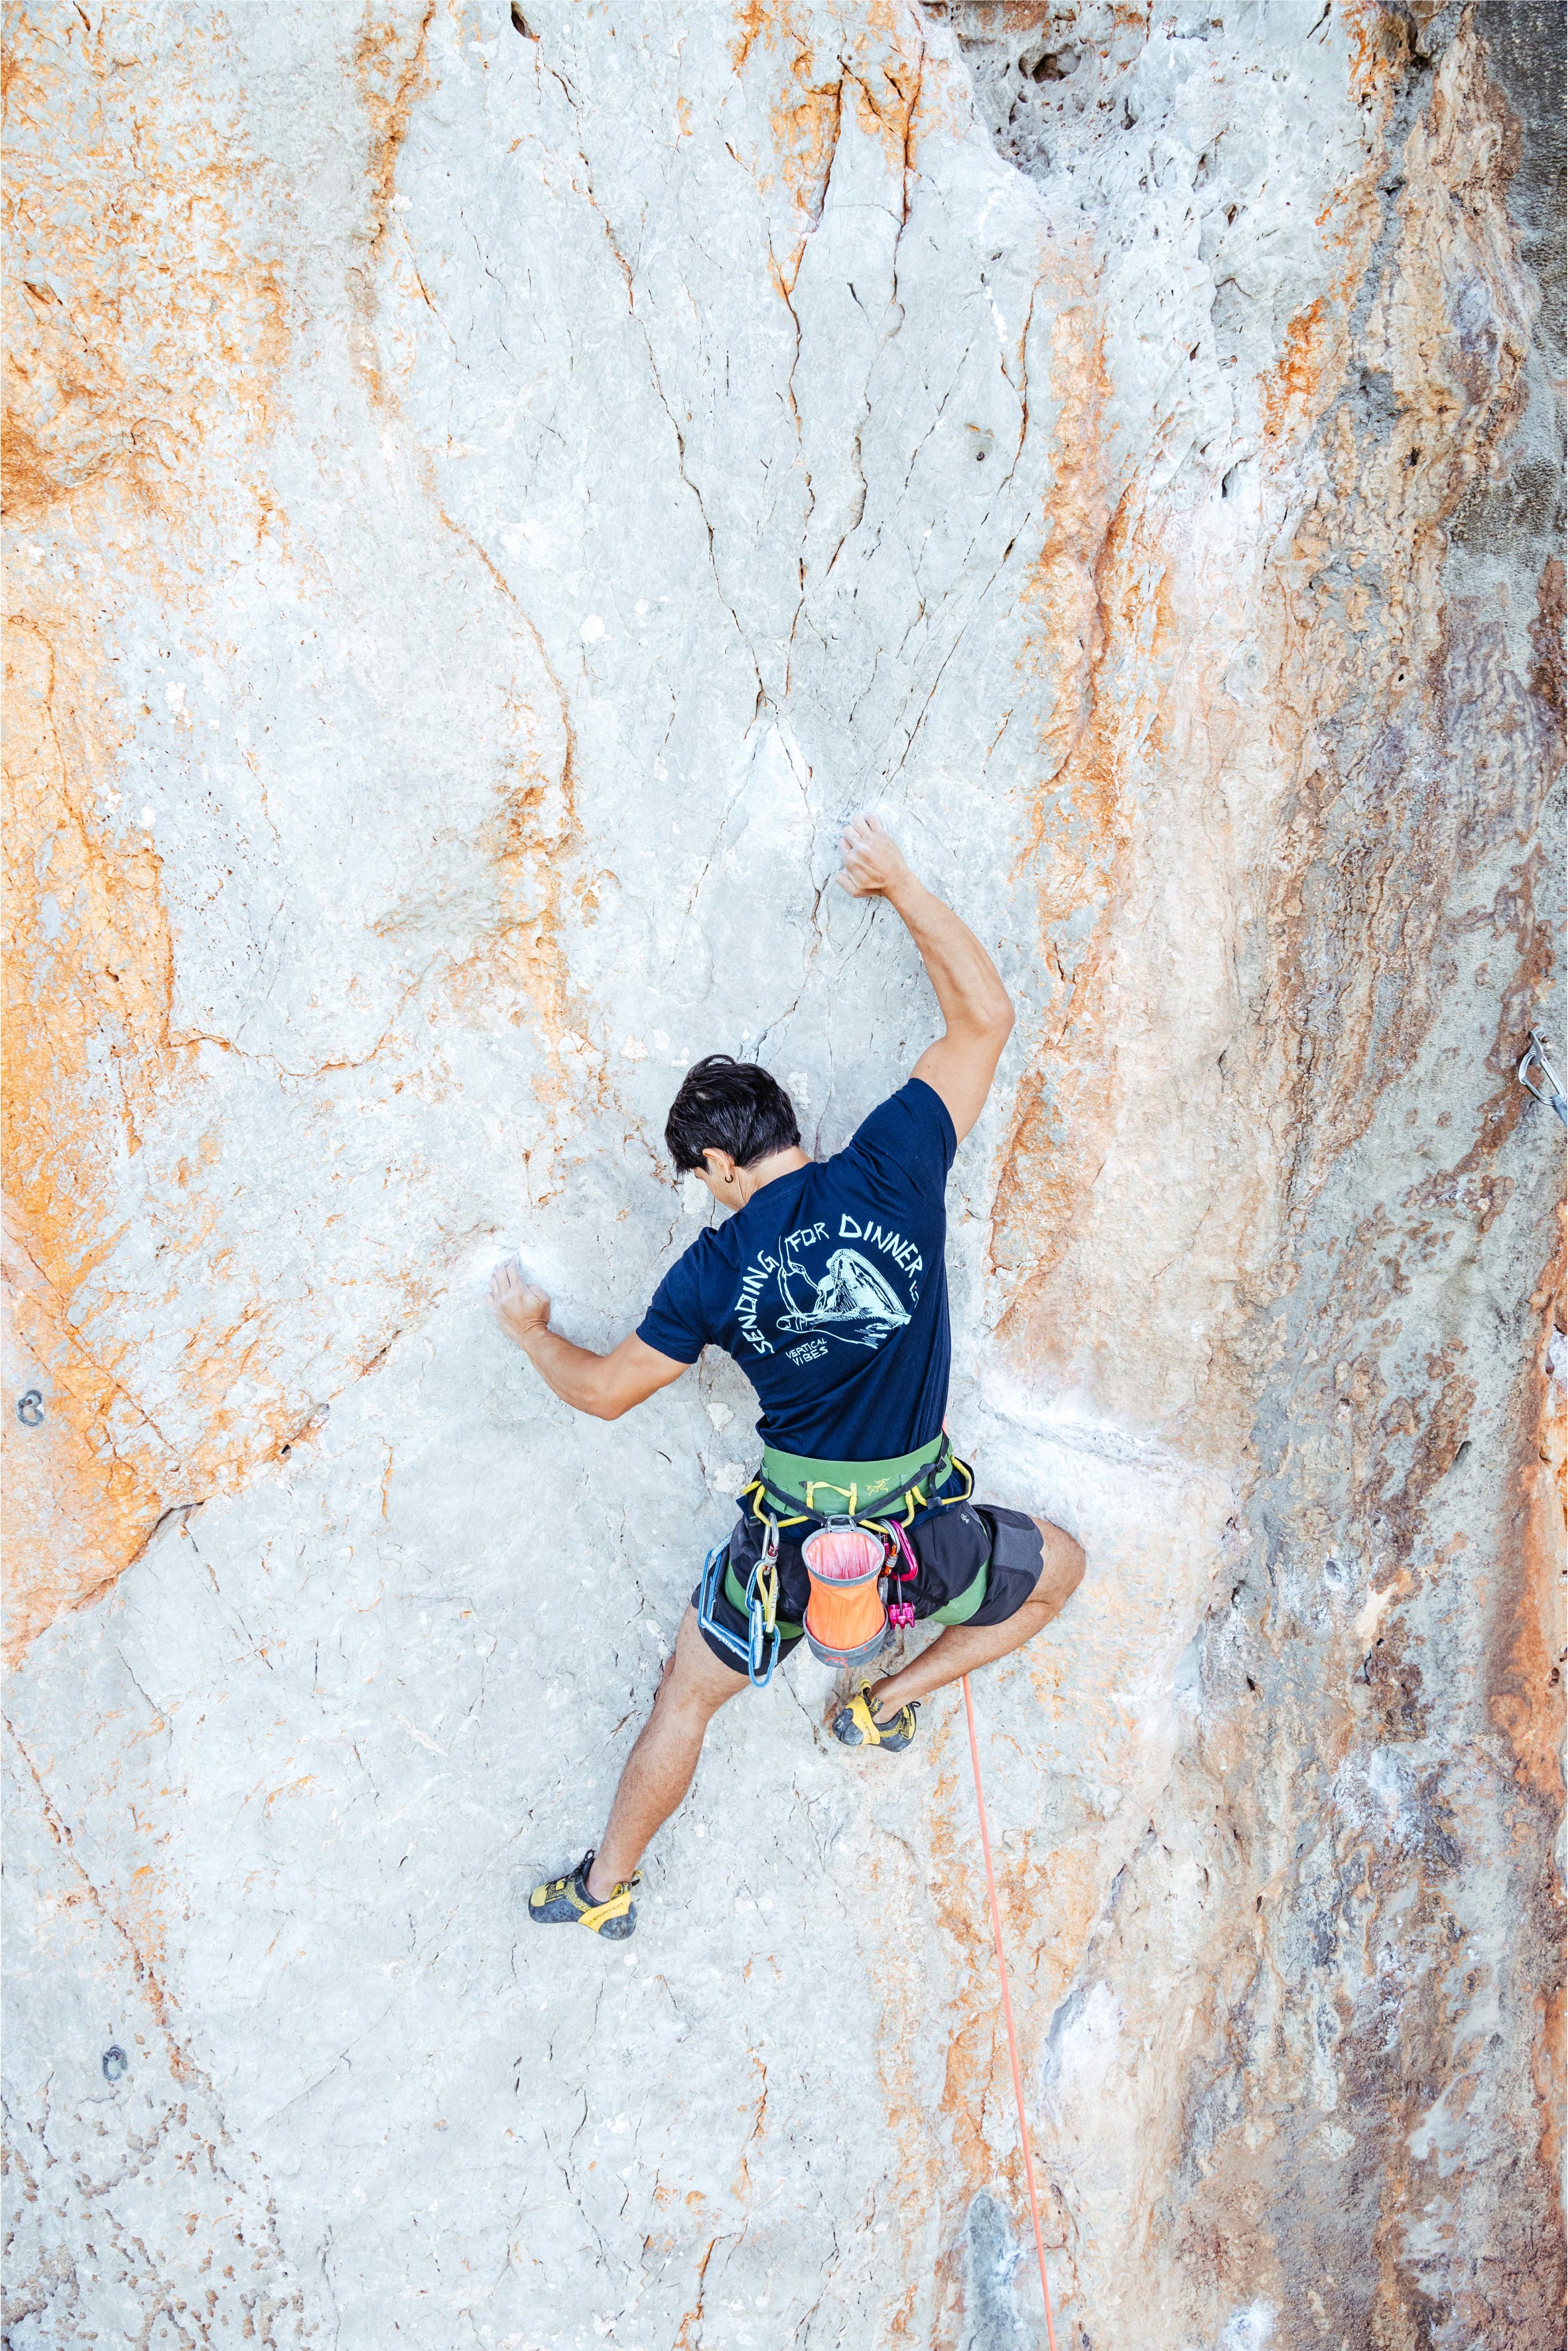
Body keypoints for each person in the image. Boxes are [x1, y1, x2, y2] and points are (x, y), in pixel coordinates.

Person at [490, 811, 1085, 1938]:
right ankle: (885, 1707)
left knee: (686, 1700)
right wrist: (901, 881)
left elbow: (607, 1391)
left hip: (784, 1555)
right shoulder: (894, 1162)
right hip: (914, 1538)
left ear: (719, 1163)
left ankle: (601, 1888)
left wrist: (530, 1332)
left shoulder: (715, 1268)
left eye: (701, 1177)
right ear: (786, 1128)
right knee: (1060, 1571)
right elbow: (987, 1018)